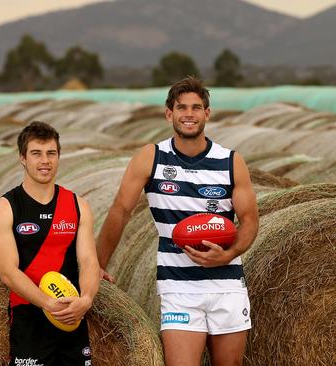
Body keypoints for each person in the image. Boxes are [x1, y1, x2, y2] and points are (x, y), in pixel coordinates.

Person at [97, 76, 259, 366]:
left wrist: (230, 254)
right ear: (169, 113)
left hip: (227, 284)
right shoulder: (151, 157)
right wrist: (97, 265)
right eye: (181, 107)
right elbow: (120, 210)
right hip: (178, 286)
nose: (189, 114)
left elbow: (249, 220)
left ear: (207, 114)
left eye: (196, 108)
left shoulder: (231, 161)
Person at [0, 121, 100, 366]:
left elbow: (89, 261)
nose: (45, 161)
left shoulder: (78, 206)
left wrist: (86, 299)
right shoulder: (4, 209)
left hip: (72, 317)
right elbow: (8, 272)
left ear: (59, 156)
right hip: (29, 317)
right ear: (22, 158)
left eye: (51, 153)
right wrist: (48, 303)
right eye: (36, 153)